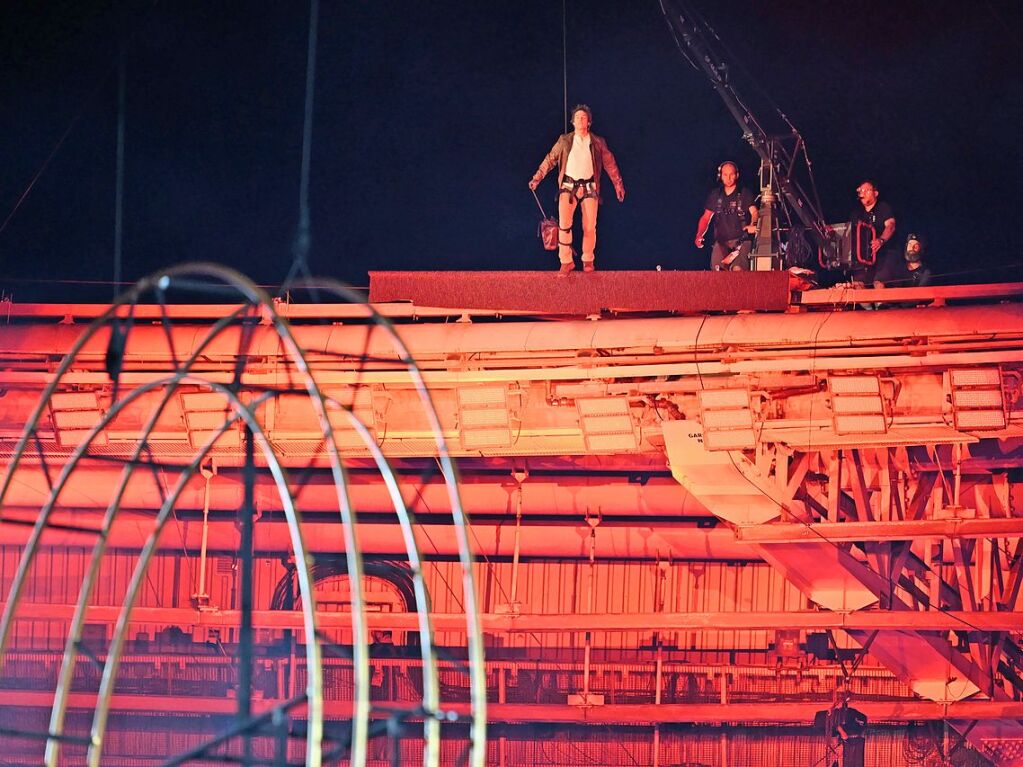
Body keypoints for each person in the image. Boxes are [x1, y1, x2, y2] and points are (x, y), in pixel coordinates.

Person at [529, 104, 625, 272]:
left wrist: (618, 184)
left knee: (589, 226)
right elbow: (550, 159)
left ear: (589, 122)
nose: (581, 120)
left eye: (584, 117)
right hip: (568, 186)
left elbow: (610, 164)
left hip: (589, 188)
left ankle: (588, 259)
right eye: (578, 117)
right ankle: (566, 261)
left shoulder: (597, 142)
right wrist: (537, 178)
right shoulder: (564, 140)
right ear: (573, 122)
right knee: (564, 225)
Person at [694, 161, 759, 270]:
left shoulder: (744, 193)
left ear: (737, 175)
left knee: (738, 269)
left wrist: (753, 224)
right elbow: (706, 218)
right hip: (721, 242)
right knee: (717, 271)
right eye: (725, 174)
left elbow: (755, 212)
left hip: (741, 241)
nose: (728, 178)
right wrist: (699, 234)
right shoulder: (715, 195)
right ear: (720, 176)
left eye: (731, 174)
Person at [850, 180, 895, 281]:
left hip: (884, 255)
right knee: (858, 284)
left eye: (867, 190)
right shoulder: (856, 214)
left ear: (875, 193)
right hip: (864, 258)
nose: (863, 193)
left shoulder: (883, 207)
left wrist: (881, 240)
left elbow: (891, 226)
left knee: (879, 282)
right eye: (861, 191)